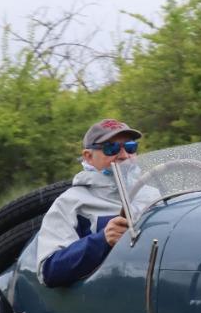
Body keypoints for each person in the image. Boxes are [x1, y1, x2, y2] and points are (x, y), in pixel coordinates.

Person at [36, 118, 144, 287]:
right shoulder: (70, 202)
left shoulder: (153, 193)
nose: (124, 155)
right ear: (88, 157)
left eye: (130, 147)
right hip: (108, 294)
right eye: (112, 148)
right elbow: (49, 270)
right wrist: (102, 240)